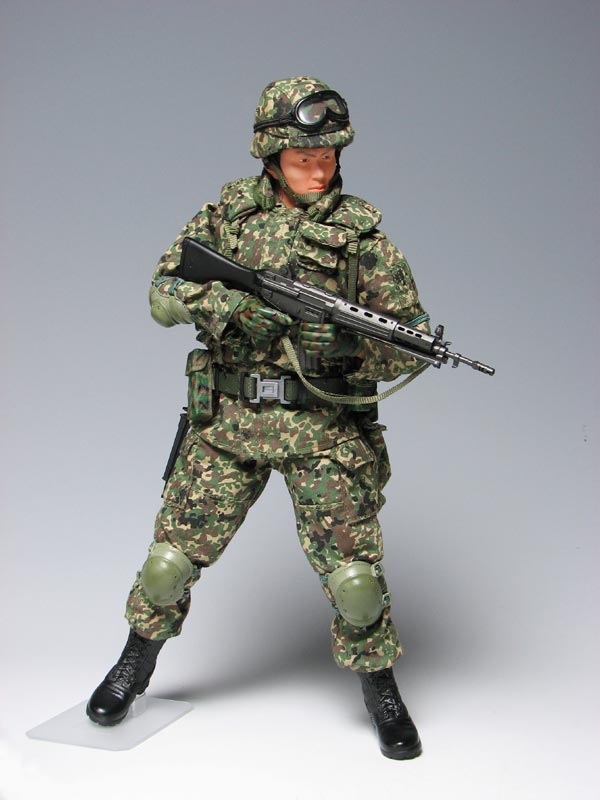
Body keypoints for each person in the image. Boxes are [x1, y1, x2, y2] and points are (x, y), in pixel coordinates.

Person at [87, 76, 431, 760]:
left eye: (328, 155)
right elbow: (163, 292)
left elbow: (410, 340)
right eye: (304, 156)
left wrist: (346, 345)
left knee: (357, 584)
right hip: (228, 422)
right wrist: (229, 308)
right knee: (167, 565)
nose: (319, 168)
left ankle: (381, 690)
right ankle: (134, 663)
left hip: (322, 430)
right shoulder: (227, 217)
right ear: (271, 156)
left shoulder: (363, 238)